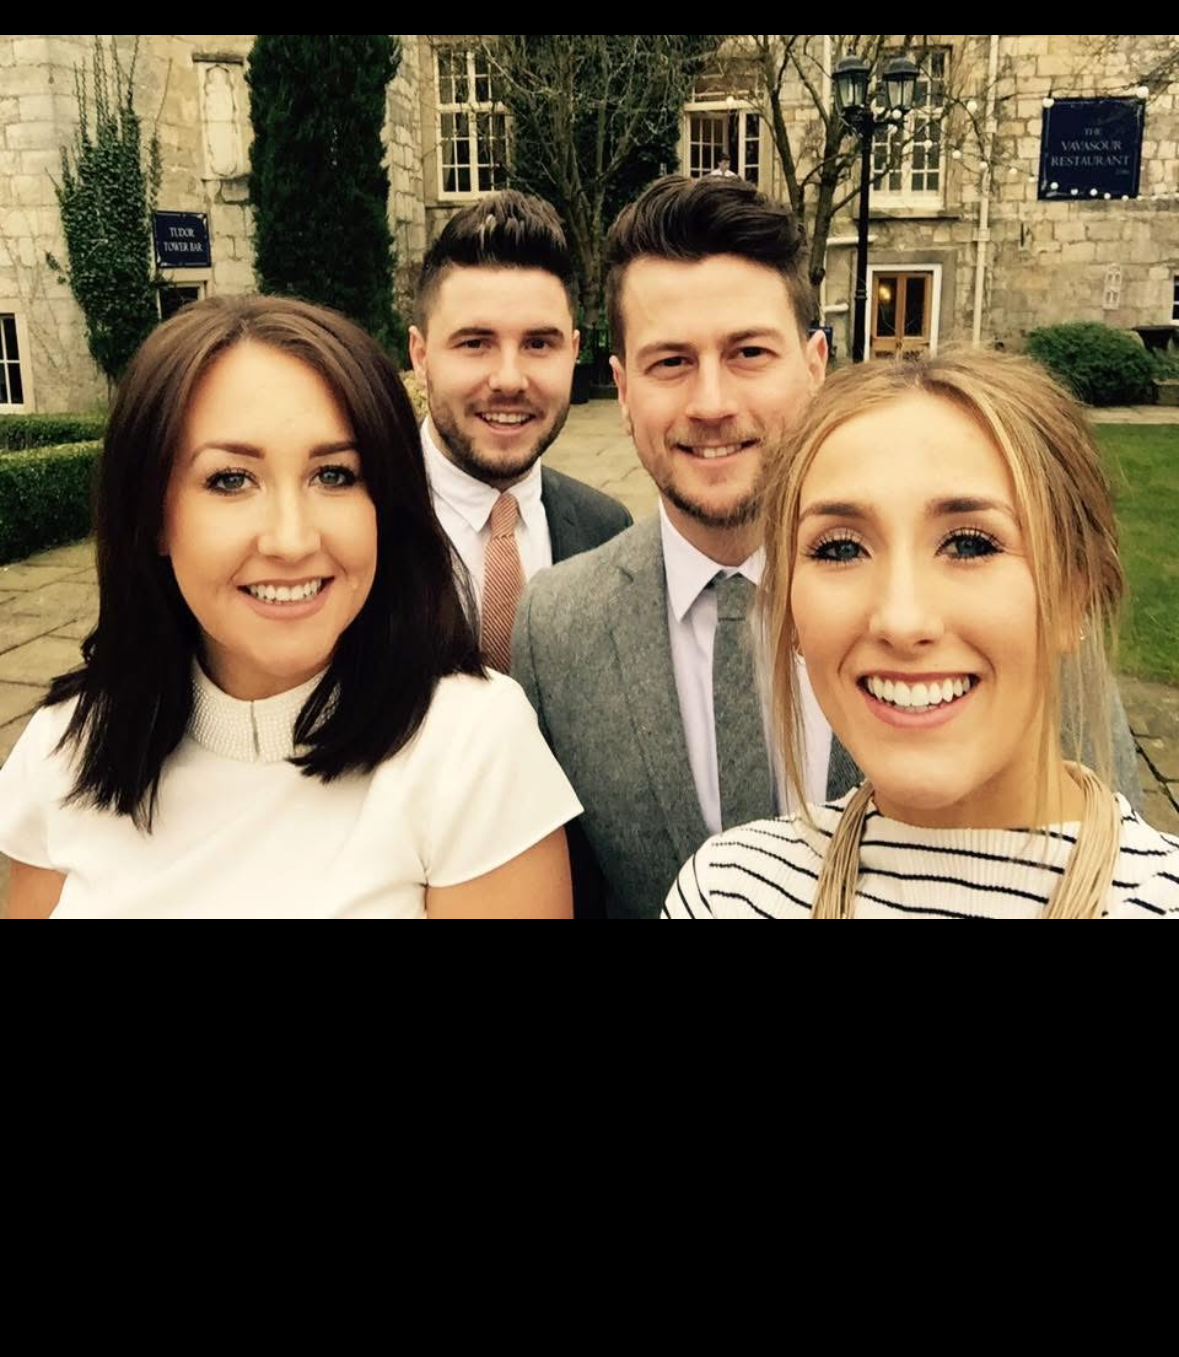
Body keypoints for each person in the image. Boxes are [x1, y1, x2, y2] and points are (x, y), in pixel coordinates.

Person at [511, 175, 1144, 920]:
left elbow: (1103, 832)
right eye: (670, 362)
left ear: (815, 365)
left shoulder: (1005, 605)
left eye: (749, 352)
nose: (711, 403)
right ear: (622, 388)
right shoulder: (555, 627)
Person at [0, 297, 579, 918]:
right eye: (231, 480)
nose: (292, 540)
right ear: (154, 517)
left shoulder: (470, 749)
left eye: (334, 475)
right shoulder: (66, 744)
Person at [666, 349, 1178, 919]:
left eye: (969, 544)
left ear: (1072, 594)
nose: (901, 620)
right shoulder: (728, 894)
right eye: (841, 549)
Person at [409, 192, 630, 671]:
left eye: (538, 344)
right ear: (421, 356)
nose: (509, 379)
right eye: (475, 343)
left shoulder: (606, 531)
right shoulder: (361, 523)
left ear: (573, 352)